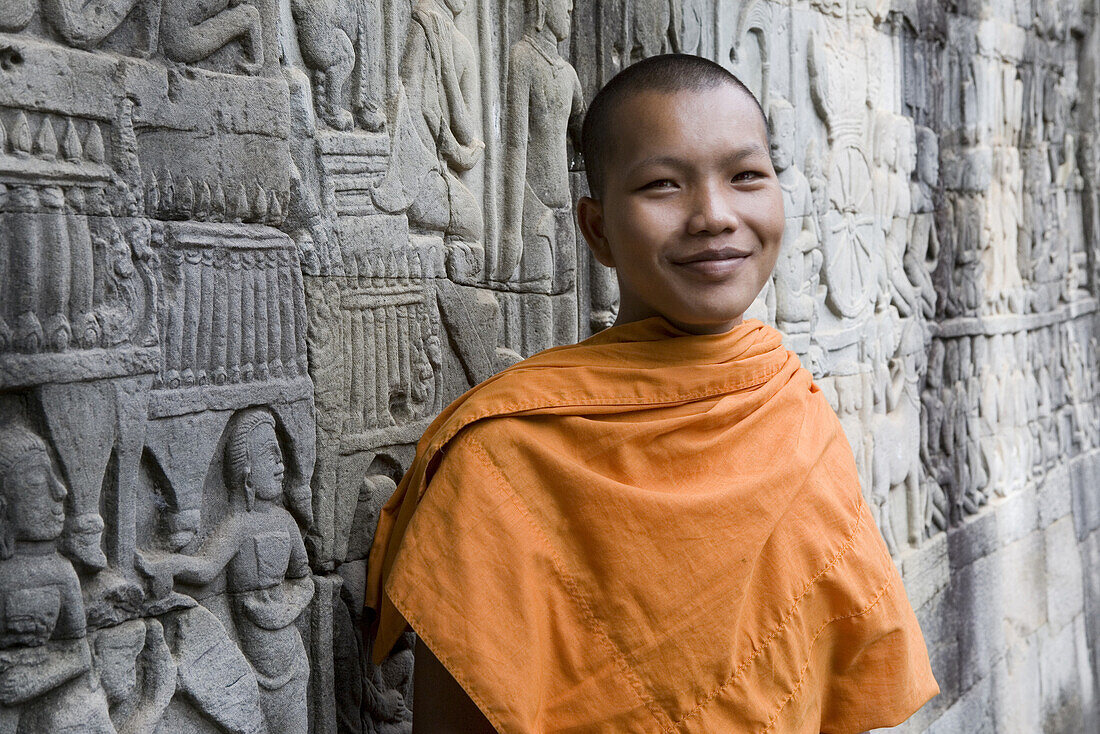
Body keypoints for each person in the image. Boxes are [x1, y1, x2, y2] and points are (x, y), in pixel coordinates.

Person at [365, 54, 938, 733]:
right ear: (598, 229)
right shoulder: (503, 458)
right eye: (664, 185)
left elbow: (834, 688)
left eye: (747, 176)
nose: (714, 216)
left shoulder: (794, 410)